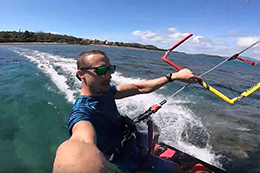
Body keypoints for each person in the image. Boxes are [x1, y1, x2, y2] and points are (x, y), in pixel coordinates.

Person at [53, 49, 201, 173]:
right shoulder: (82, 113)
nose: (109, 75)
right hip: (129, 158)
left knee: (155, 135)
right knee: (178, 171)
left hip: (131, 139)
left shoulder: (105, 92)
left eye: (110, 69)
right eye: (101, 71)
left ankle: (151, 152)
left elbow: (139, 88)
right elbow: (81, 141)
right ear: (81, 75)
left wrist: (173, 76)